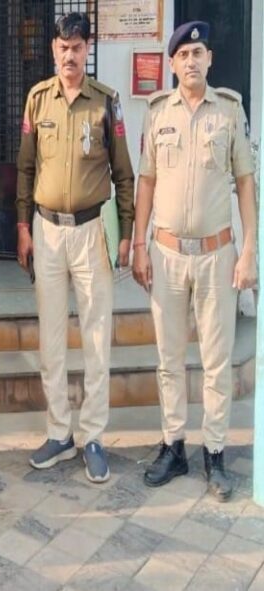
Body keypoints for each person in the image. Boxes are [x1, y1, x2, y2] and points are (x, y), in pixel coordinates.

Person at [133, 21, 256, 501]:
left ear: (209, 60)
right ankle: (174, 446)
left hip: (216, 256)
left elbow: (245, 182)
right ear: (172, 64)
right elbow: (146, 181)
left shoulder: (229, 111)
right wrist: (138, 244)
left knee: (216, 361)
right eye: (182, 55)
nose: (190, 61)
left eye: (197, 53)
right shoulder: (157, 112)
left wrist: (249, 250)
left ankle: (216, 453)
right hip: (165, 255)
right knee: (168, 359)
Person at [16, 12, 135, 483]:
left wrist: (126, 233)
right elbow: (26, 168)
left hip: (91, 232)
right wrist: (22, 225)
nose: (70, 55)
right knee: (51, 339)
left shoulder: (105, 102)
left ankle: (93, 437)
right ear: (53, 49)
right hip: (46, 231)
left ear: (88, 50)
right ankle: (59, 432)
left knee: (96, 339)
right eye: (63, 47)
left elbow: (123, 174)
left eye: (78, 47)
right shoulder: (37, 99)